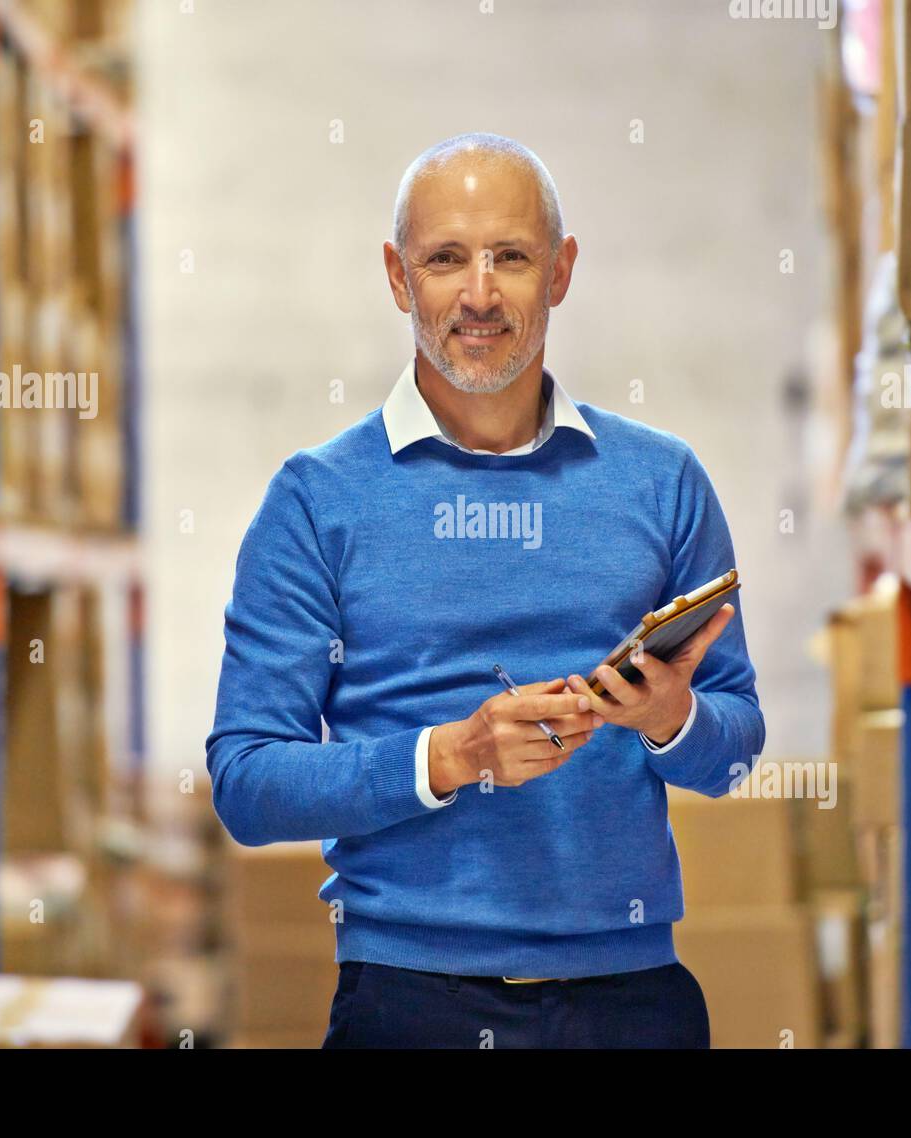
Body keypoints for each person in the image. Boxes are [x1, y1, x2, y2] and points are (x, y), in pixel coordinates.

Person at [206, 132, 765, 1048]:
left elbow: (737, 749)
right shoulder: (316, 501)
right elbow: (247, 780)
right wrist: (449, 756)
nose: (478, 294)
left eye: (510, 256)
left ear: (561, 271)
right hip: (411, 1002)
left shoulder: (662, 482)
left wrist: (671, 717)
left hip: (632, 1000)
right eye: (444, 260)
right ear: (397, 276)